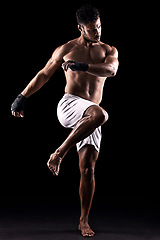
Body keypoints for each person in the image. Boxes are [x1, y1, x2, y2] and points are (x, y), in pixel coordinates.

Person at [11, 4, 119, 237]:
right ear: (80, 28)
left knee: (88, 169)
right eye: (91, 29)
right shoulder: (67, 49)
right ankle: (58, 153)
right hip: (70, 104)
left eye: (99, 27)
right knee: (101, 115)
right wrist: (22, 96)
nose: (97, 32)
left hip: (90, 113)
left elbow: (111, 71)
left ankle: (83, 221)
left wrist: (83, 67)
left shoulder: (109, 50)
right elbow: (44, 73)